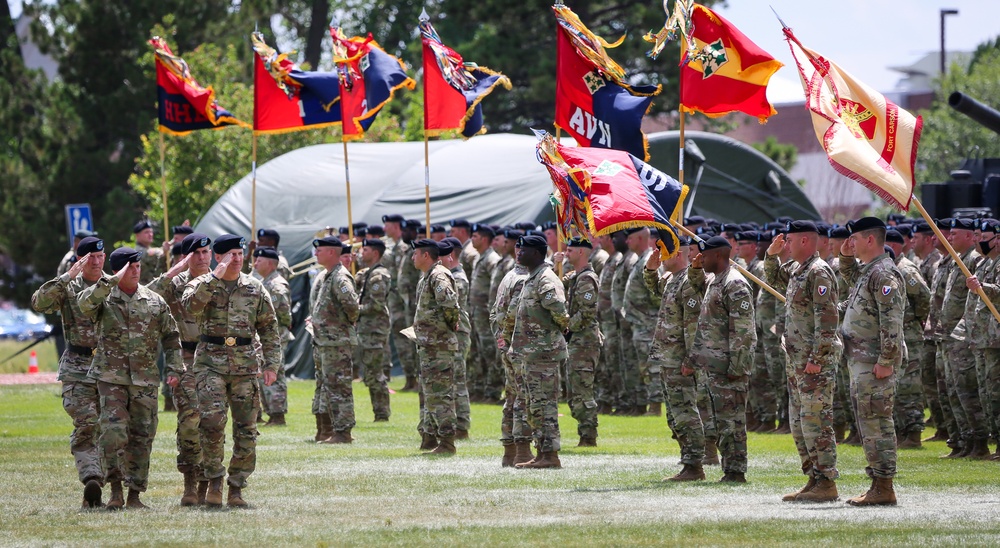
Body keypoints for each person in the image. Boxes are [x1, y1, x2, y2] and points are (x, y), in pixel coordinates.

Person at [181, 234, 281, 508]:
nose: (237, 259)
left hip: (245, 366)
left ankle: (236, 487)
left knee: (246, 429)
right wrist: (215, 277)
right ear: (218, 257)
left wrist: (271, 364)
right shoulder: (201, 284)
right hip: (210, 364)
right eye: (230, 255)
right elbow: (190, 307)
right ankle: (213, 481)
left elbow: (270, 329)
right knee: (212, 424)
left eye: (239, 254)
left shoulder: (255, 288)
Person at [78, 246, 182, 510]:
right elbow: (84, 304)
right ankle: (114, 491)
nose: (136, 271)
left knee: (142, 436)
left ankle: (135, 494)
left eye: (138, 266)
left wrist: (174, 368)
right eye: (130, 267)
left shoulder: (154, 300)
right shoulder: (103, 298)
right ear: (117, 271)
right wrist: (110, 281)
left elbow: (171, 336)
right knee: (112, 434)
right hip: (111, 378)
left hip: (145, 380)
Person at [765, 221, 843, 502]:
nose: (786, 245)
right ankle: (813, 478)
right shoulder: (799, 270)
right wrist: (771, 255)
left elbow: (828, 319)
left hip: (813, 361)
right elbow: (773, 278)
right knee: (799, 423)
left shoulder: (819, 271)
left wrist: (817, 358)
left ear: (806, 241)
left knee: (816, 421)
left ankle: (827, 482)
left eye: (790, 240)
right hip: (796, 359)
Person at [31, 236, 108, 509]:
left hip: (110, 367)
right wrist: (65, 278)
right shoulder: (69, 285)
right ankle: (93, 479)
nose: (97, 262)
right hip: (77, 365)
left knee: (112, 429)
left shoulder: (111, 284)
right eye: (91, 258)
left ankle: (115, 487)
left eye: (101, 256)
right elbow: (39, 303)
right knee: (86, 424)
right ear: (80, 259)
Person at [838, 217, 905, 506]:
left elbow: (892, 321)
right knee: (868, 421)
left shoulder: (884, 275)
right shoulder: (869, 271)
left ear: (869, 240)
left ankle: (884, 485)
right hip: (861, 360)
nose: (850, 242)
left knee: (877, 421)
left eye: (854, 238)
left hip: (874, 362)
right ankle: (877, 482)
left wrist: (886, 360)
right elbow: (850, 277)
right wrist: (844, 256)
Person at [146, 233, 212, 506]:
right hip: (186, 357)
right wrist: (174, 270)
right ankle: (190, 483)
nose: (200, 257)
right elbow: (146, 296)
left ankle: (210, 482)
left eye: (205, 252)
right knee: (189, 422)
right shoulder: (174, 285)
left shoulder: (222, 279)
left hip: (218, 357)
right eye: (194, 253)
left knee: (213, 424)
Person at [689, 236, 757, 483]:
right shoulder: (715, 281)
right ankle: (730, 469)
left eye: (704, 255)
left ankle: (736, 471)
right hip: (715, 366)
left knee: (732, 422)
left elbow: (743, 330)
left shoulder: (735, 283)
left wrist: (737, 366)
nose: (701, 259)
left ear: (718, 255)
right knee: (721, 422)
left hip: (730, 366)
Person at [646, 237, 710, 481]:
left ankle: (695, 466)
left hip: (680, 360)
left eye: (663, 251)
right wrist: (651, 271)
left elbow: (692, 326)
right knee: (674, 415)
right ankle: (688, 461)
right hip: (668, 358)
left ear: (677, 254)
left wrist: (690, 360)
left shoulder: (688, 283)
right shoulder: (672, 280)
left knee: (685, 412)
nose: (660, 255)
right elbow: (655, 290)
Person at [510, 235, 569, 469]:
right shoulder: (531, 278)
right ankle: (542, 452)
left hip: (544, 353)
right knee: (535, 405)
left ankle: (550, 455)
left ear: (536, 253)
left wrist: (560, 330)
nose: (518, 253)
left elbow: (557, 307)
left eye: (523, 250)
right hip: (532, 354)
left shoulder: (546, 278)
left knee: (544, 405)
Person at [411, 239, 461, 455]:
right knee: (431, 394)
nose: (412, 257)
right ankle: (431, 438)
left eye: (416, 254)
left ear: (426, 256)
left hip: (438, 345)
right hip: (429, 344)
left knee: (440, 394)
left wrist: (448, 327)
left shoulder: (438, 275)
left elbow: (449, 304)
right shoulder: (427, 276)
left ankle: (447, 442)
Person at [308, 236, 360, 444]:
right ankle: (331, 429)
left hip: (336, 343)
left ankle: (343, 431)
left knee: (339, 388)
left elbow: (352, 307)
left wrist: (339, 326)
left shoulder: (340, 278)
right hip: (326, 342)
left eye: (320, 250)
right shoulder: (329, 276)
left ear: (331, 252)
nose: (316, 253)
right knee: (329, 387)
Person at [884, 229, 931, 449]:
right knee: (898, 387)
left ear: (894, 246)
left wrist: (917, 320)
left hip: (910, 335)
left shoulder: (904, 269)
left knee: (909, 387)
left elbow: (923, 295)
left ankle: (913, 434)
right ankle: (903, 431)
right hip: (897, 335)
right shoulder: (890, 269)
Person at [492, 245, 532, 466]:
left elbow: (494, 313)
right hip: (520, 346)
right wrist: (508, 339)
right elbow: (514, 314)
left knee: (512, 396)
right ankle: (522, 452)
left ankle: (509, 451)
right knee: (522, 398)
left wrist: (500, 338)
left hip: (508, 345)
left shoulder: (509, 276)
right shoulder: (522, 280)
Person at [563, 237, 603, 447]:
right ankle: (584, 433)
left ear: (581, 253)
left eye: (570, 250)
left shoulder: (587, 279)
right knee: (574, 389)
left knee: (582, 389)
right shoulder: (577, 277)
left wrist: (568, 326)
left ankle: (588, 436)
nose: (566, 253)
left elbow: (587, 312)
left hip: (585, 341)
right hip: (578, 340)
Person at [966, 219, 1000, 460]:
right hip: (984, 339)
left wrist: (982, 287)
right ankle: (995, 441)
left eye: (984, 237)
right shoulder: (984, 263)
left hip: (995, 339)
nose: (979, 241)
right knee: (987, 393)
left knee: (996, 392)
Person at [252, 246, 294, 427]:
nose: (255, 264)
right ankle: (271, 412)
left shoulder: (276, 285)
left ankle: (277, 414)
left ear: (270, 264)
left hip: (276, 336)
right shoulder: (266, 282)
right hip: (267, 336)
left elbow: (285, 314)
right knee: (265, 373)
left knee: (274, 372)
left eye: (259, 261)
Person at [622, 227, 661, 416]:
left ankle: (655, 407)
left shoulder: (648, 261)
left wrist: (646, 311)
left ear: (639, 238)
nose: (627, 242)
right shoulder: (641, 260)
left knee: (651, 366)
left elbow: (656, 294)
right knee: (644, 366)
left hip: (648, 323)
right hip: (640, 323)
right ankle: (649, 404)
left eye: (630, 238)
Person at [356, 238, 392, 422]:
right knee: (370, 372)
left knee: (375, 373)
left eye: (366, 249)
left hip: (374, 330)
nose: (362, 252)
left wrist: (356, 309)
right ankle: (379, 412)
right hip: (366, 330)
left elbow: (376, 305)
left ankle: (382, 413)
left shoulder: (378, 276)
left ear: (375, 253)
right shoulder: (368, 273)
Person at [440, 237, 473, 439]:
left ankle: (461, 426)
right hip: (450, 332)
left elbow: (450, 305)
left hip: (457, 334)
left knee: (457, 380)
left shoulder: (458, 279)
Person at [469, 223, 502, 403]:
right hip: (476, 313)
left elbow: (495, 285)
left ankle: (493, 391)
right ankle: (479, 388)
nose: (472, 239)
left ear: (484, 239)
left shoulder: (492, 259)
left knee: (490, 352)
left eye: (475, 236)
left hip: (486, 312)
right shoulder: (478, 258)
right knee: (478, 351)